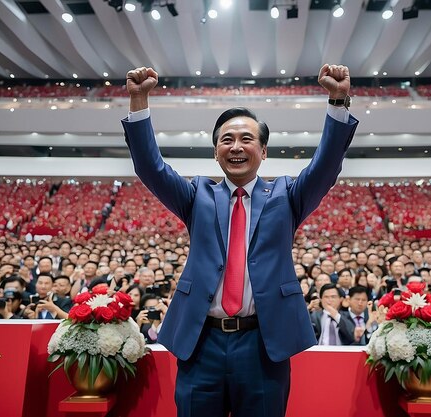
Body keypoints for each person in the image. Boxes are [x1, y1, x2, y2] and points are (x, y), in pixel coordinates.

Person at [123, 64, 357, 417]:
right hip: (202, 343)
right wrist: (139, 100)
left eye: (247, 139)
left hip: (263, 344)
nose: (236, 146)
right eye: (226, 140)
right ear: (215, 152)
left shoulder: (287, 195)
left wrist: (337, 101)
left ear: (263, 152)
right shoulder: (195, 195)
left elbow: (325, 166)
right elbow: (150, 168)